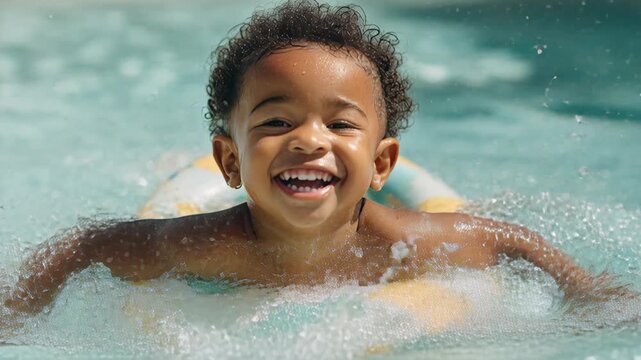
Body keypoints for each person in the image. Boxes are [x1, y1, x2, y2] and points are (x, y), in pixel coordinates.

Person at [1, 1, 631, 320]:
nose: (310, 139)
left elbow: (508, 240)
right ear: (228, 163)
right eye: (276, 121)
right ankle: (175, 163)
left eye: (340, 124)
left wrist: (591, 293)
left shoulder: (405, 244)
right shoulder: (195, 244)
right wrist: (17, 309)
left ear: (381, 165)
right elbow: (88, 246)